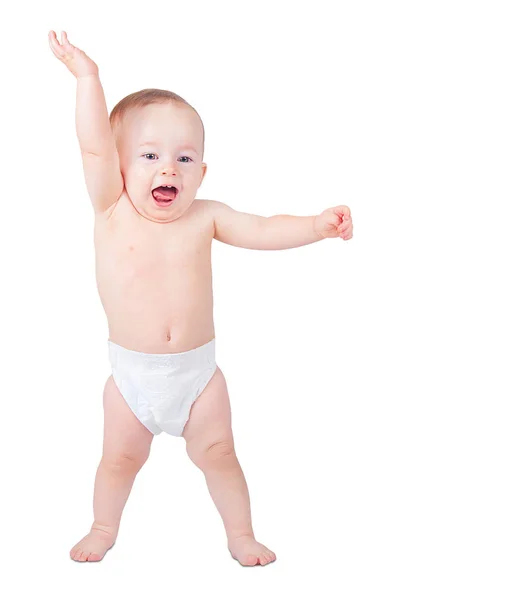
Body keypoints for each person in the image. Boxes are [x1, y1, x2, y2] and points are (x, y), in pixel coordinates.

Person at [48, 30, 354, 566]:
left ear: (202, 172)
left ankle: (241, 535)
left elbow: (261, 228)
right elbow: (93, 142)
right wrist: (87, 78)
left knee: (222, 456)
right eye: (148, 155)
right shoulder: (111, 208)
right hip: (131, 379)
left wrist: (315, 226)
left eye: (185, 159)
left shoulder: (205, 215)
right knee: (117, 461)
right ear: (118, 168)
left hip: (198, 376)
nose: (169, 168)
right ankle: (102, 527)